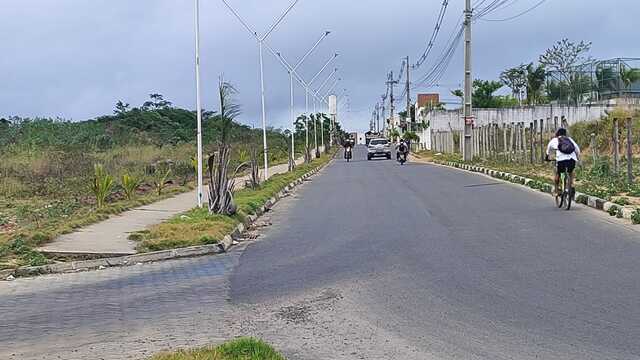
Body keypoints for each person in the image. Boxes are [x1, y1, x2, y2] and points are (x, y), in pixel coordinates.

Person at [545, 128, 580, 196]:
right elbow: (577, 150)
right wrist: (577, 158)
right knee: (571, 171)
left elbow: (548, 150)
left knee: (558, 172)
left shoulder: (554, 140)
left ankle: (557, 190)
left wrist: (547, 158)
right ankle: (572, 185)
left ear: (557, 134)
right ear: (565, 134)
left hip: (561, 160)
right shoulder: (569, 139)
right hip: (572, 159)